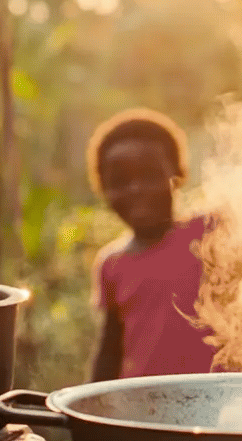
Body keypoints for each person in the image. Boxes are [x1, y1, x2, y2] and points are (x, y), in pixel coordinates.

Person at [88, 107, 218, 381]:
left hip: (224, 409)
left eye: (149, 176)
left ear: (178, 176)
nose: (136, 189)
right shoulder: (112, 264)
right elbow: (110, 351)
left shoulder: (211, 235)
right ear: (103, 189)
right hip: (142, 413)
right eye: (120, 181)